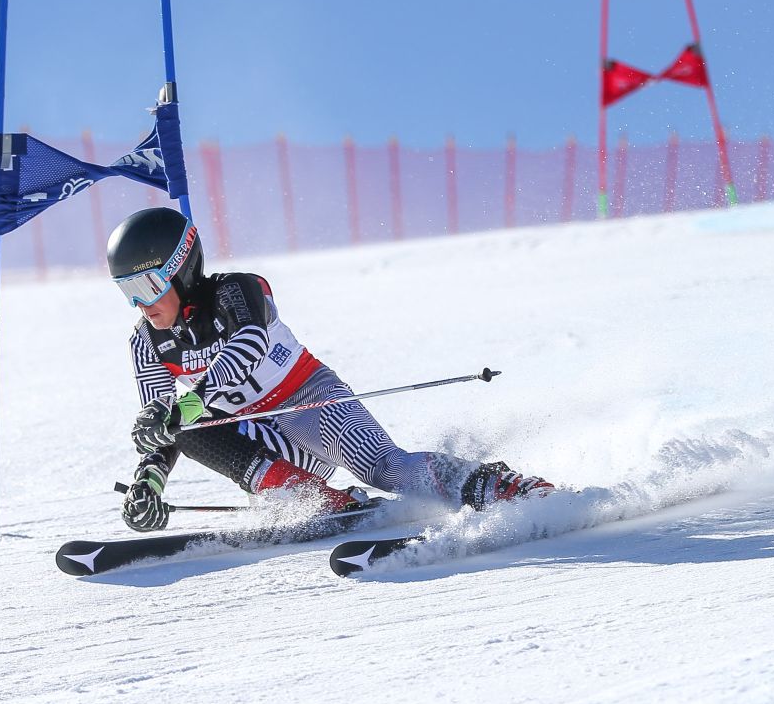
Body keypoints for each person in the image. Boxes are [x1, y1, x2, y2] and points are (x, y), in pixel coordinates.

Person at [108, 206, 553, 532]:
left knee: (387, 470)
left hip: (309, 403)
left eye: (146, 286)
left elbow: (247, 346)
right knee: (178, 423)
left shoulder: (236, 292)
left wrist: (188, 404)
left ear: (180, 269)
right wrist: (149, 479)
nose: (140, 304)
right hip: (263, 440)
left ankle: (501, 487)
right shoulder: (146, 341)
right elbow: (164, 421)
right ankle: (321, 502)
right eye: (127, 291)